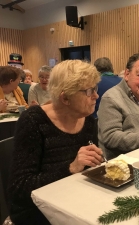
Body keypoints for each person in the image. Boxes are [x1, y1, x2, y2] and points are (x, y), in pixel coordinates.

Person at [8, 60, 104, 225]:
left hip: (75, 201)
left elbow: (87, 170)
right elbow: (19, 188)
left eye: (95, 88)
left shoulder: (87, 120)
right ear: (65, 98)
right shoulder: (33, 121)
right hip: (38, 211)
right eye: (89, 91)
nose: (96, 95)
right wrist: (70, 168)